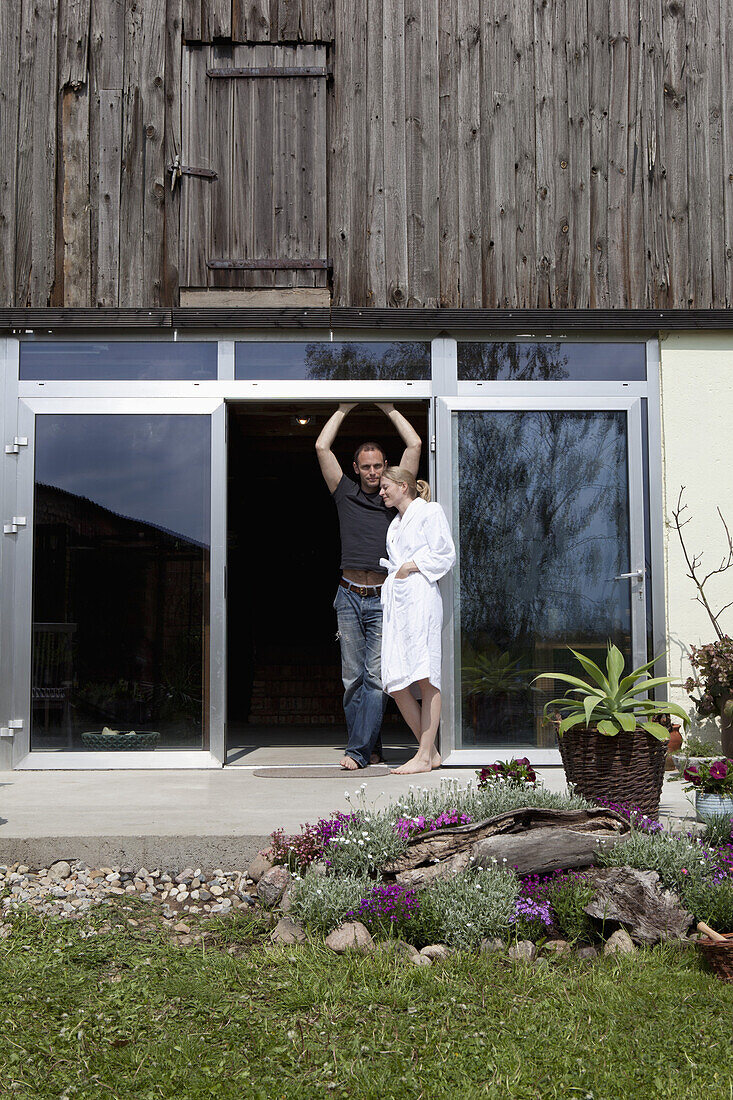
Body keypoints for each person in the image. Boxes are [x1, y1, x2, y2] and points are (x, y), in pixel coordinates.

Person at [315, 403, 422, 770]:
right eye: (367, 466)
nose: (374, 472)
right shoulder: (343, 491)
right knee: (352, 679)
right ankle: (371, 746)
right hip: (347, 595)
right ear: (356, 468)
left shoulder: (394, 497)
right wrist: (343, 409)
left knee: (375, 678)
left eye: (379, 466)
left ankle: (358, 752)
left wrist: (390, 408)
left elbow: (415, 443)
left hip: (382, 599)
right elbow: (321, 448)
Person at [378, 467, 456, 775]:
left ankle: (423, 755)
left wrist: (410, 566)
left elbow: (445, 554)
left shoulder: (429, 512)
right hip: (399, 604)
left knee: (426, 676)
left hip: (420, 599)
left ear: (402, 486)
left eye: (386, 487)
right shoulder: (395, 524)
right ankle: (431, 753)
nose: (381, 492)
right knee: (396, 681)